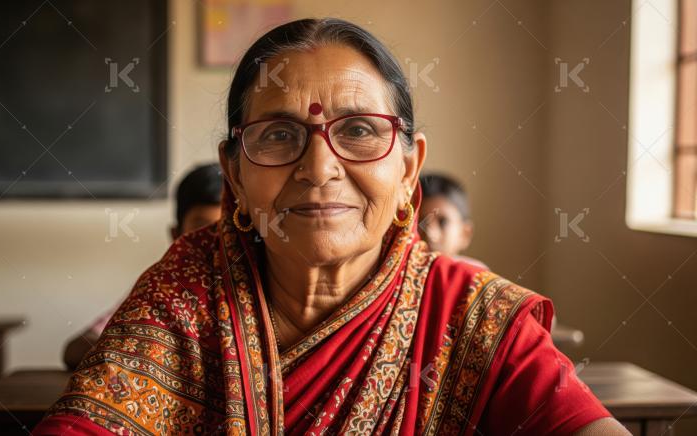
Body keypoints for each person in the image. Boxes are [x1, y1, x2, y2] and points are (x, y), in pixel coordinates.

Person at [34, 19, 628, 435]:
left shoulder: (473, 316)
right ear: (234, 174)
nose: (319, 169)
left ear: (409, 169)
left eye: (359, 130)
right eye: (279, 134)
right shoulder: (185, 292)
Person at [61, 163, 223, 370]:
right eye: (200, 230)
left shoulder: (255, 289)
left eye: (225, 230)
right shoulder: (157, 290)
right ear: (176, 236)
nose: (214, 243)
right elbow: (75, 348)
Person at [417, 172, 487, 269]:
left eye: (443, 222)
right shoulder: (400, 271)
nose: (430, 234)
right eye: (420, 222)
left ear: (465, 233)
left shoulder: (474, 274)